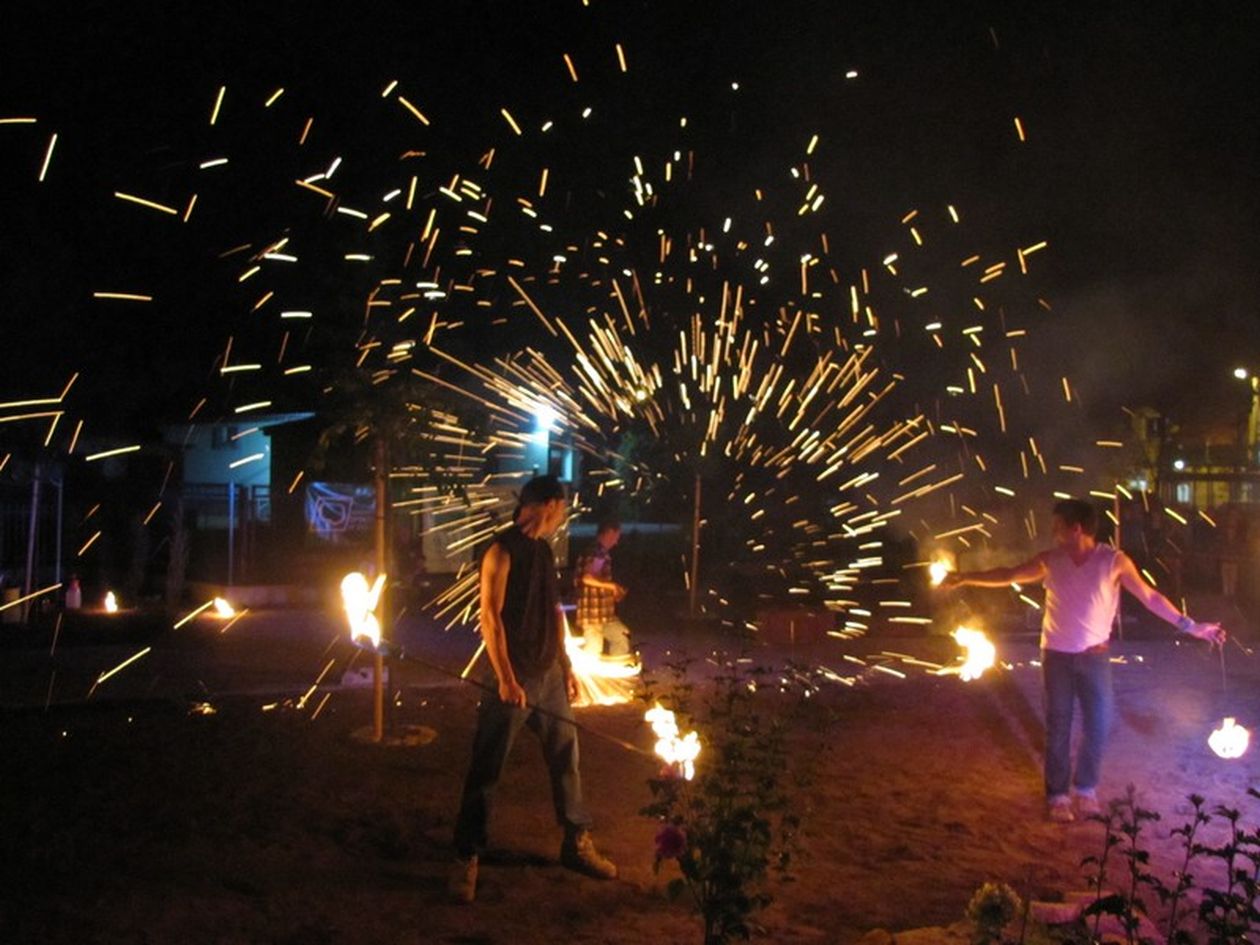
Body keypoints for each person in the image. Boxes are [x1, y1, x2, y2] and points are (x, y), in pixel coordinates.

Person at [942, 498, 1224, 823]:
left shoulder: (1113, 561)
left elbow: (1149, 597)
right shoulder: (1051, 561)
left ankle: (1086, 789)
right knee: (1058, 727)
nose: (1053, 533)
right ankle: (1058, 796)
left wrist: (1191, 626)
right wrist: (964, 577)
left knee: (1099, 724)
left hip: (1095, 658)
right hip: (1056, 657)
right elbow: (1009, 575)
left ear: (1076, 528)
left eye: (1057, 527)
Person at [450, 475, 618, 902]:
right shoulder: (500, 551)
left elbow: (555, 611)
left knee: (567, 759)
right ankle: (466, 856)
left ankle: (576, 841)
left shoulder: (543, 551)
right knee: (486, 770)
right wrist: (507, 678)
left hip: (548, 677)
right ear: (550, 504)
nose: (563, 517)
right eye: (562, 508)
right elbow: (489, 617)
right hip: (512, 678)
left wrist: (566, 666)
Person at [575, 519, 632, 657]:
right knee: (593, 650)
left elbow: (595, 578)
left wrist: (612, 592)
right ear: (609, 532)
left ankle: (617, 667)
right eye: (616, 537)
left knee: (622, 636)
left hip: (604, 614)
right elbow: (588, 578)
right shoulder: (598, 552)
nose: (616, 542)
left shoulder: (599, 552)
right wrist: (612, 586)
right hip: (593, 614)